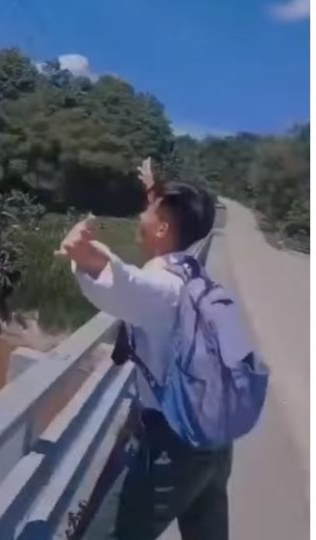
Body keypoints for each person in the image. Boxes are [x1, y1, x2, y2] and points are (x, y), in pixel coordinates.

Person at [55, 162, 228, 540]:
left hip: (175, 447)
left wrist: (81, 252)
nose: (140, 215)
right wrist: (155, 190)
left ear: (164, 228)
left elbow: (125, 284)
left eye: (149, 210)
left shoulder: (164, 287)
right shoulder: (193, 273)